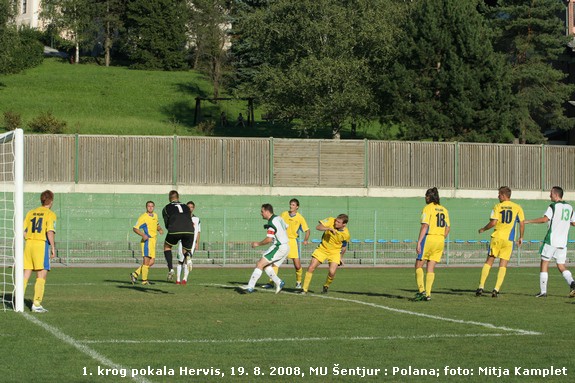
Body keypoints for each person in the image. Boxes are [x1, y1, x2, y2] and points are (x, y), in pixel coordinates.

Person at [524, 186, 575, 297]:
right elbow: (573, 223)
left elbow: (545, 219)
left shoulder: (553, 206)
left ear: (556, 194)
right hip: (563, 242)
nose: (549, 195)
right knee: (561, 265)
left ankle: (543, 292)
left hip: (551, 240)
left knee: (544, 263)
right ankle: (572, 283)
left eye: (551, 193)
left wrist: (528, 221)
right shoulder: (570, 207)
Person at [476, 186, 525, 298]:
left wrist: (483, 229)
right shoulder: (517, 207)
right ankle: (496, 289)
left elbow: (493, 223)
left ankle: (481, 286)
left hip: (497, 238)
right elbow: (522, 223)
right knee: (503, 265)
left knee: (489, 261)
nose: (498, 196)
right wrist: (521, 237)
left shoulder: (497, 206)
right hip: (509, 240)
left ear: (503, 195)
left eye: (499, 194)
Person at [262, 198, 310, 289]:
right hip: (282, 241)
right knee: (274, 263)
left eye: (293, 205)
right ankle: (271, 282)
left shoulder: (300, 218)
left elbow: (307, 230)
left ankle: (298, 282)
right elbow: (277, 223)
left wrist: (306, 239)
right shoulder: (284, 214)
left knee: (297, 265)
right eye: (290, 204)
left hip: (293, 242)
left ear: (297, 207)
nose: (291, 206)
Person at [241, 204, 288, 293]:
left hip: (279, 247)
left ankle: (250, 287)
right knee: (265, 265)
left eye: (262, 211)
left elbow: (268, 239)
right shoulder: (279, 218)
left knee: (259, 264)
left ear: (267, 211)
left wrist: (257, 244)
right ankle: (279, 282)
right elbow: (286, 226)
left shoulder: (271, 223)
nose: (261, 213)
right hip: (285, 246)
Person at [414, 187, 450, 302]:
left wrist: (419, 242)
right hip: (440, 240)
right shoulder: (444, 210)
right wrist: (441, 237)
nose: (425, 198)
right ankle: (428, 294)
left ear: (429, 197)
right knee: (431, 268)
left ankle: (421, 291)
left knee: (418, 265)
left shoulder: (427, 208)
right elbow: (448, 228)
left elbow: (425, 226)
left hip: (429, 238)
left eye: (426, 196)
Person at [23, 190, 57, 313]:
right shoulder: (50, 214)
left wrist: (29, 239)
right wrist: (53, 247)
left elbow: (24, 231)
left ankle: (18, 300)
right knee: (41, 274)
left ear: (41, 200)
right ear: (51, 201)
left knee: (26, 273)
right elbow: (49, 232)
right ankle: (36, 303)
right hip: (40, 245)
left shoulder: (30, 213)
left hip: (29, 244)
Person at [301, 214, 350, 295]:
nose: (336, 223)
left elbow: (344, 247)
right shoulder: (331, 220)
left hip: (335, 252)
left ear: (344, 224)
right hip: (322, 249)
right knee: (311, 267)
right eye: (336, 220)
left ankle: (326, 286)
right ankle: (304, 290)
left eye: (338, 222)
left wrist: (341, 257)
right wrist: (328, 228)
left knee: (332, 272)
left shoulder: (346, 234)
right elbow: (318, 227)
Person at [162, 190, 195, 282]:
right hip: (189, 230)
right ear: (178, 197)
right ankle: (188, 256)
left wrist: (172, 230)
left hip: (175, 229)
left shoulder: (166, 208)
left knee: (167, 247)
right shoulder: (186, 207)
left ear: (169, 198)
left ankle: (171, 269)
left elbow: (167, 224)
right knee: (185, 249)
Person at [130, 201, 164, 285]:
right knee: (146, 261)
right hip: (147, 241)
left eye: (152, 206)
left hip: (153, 241)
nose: (150, 207)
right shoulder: (143, 217)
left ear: (154, 207)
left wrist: (159, 229)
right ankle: (144, 281)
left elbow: (157, 224)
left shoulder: (155, 215)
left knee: (151, 262)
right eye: (149, 206)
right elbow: (135, 228)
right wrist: (143, 235)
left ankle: (135, 274)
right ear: (146, 207)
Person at [176, 201, 201, 285]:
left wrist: (197, 243)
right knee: (180, 261)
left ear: (193, 208)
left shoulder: (196, 219)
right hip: (182, 241)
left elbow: (198, 232)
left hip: (192, 243)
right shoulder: (181, 217)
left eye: (191, 207)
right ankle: (178, 279)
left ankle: (184, 279)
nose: (190, 208)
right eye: (188, 207)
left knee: (187, 260)